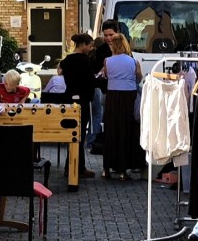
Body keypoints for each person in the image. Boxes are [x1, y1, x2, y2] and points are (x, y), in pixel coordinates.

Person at [99, 26, 142, 180]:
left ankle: (106, 168)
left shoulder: (107, 61)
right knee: (126, 131)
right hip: (128, 97)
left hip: (112, 96)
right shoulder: (133, 61)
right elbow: (139, 78)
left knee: (111, 131)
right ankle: (123, 170)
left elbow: (105, 75)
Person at [59, 32, 101, 175]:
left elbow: (61, 72)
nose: (91, 49)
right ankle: (78, 167)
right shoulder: (84, 60)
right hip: (82, 100)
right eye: (90, 46)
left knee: (70, 133)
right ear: (83, 45)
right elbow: (90, 81)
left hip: (68, 98)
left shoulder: (67, 60)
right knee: (80, 134)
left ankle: (69, 166)